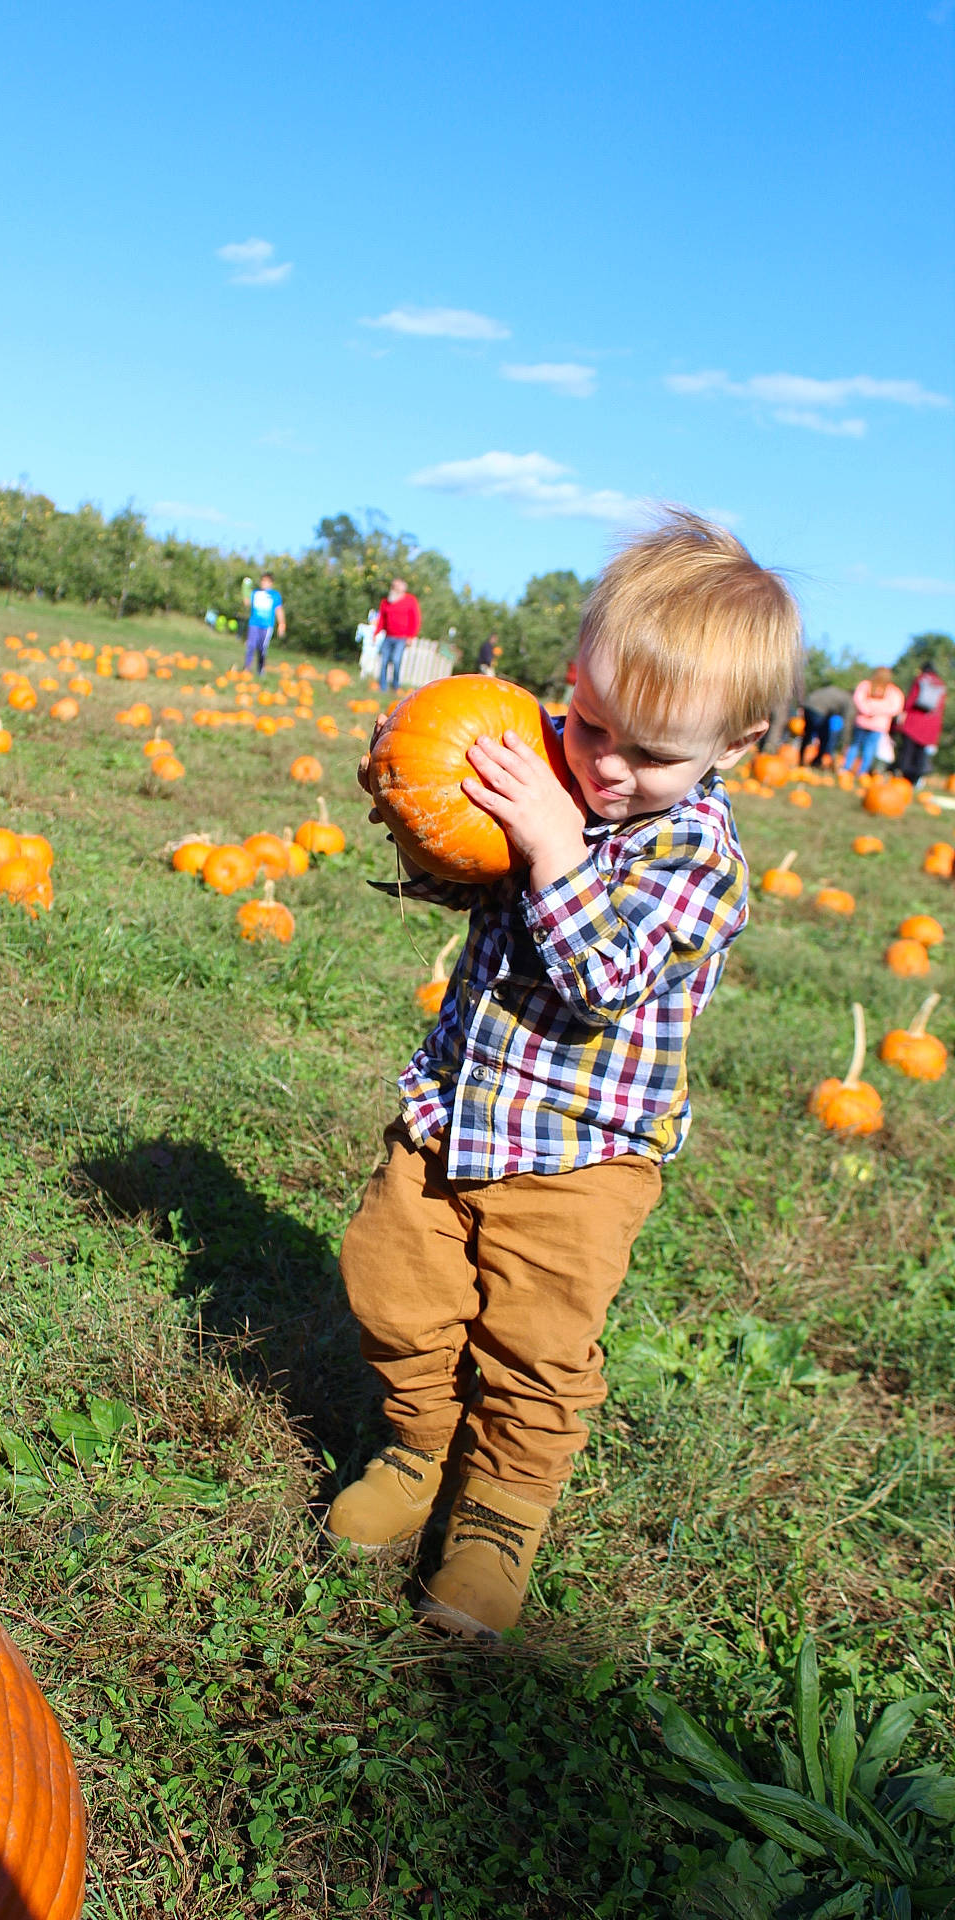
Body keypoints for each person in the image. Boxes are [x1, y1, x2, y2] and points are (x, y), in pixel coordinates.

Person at [326, 510, 801, 1642]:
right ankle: (417, 1444)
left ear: (731, 746)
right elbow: (471, 878)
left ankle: (498, 1517)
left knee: (536, 1346)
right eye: (588, 723)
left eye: (648, 754)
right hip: (453, 1114)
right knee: (392, 1287)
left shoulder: (698, 863)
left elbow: (601, 974)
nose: (602, 767)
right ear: (571, 679)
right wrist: (415, 810)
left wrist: (554, 848)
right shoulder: (547, 762)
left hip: (581, 1157)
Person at [841, 668, 905, 777]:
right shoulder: (892, 691)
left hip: (865, 722)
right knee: (868, 748)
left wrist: (869, 709)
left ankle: (846, 769)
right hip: (877, 724)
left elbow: (858, 700)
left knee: (856, 745)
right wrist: (878, 710)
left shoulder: (867, 685)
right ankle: (862, 773)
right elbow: (895, 708)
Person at [895, 661, 946, 787]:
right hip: (930, 725)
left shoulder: (921, 679)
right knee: (920, 755)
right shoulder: (941, 685)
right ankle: (914, 780)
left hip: (914, 721)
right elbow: (940, 709)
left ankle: (903, 778)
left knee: (907, 752)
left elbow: (911, 699)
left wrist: (903, 715)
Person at [372, 577, 422, 696]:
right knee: (384, 661)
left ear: (403, 588)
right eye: (392, 586)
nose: (393, 588)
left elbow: (415, 619)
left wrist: (411, 636)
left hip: (402, 638)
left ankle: (395, 686)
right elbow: (382, 620)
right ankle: (382, 686)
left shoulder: (410, 600)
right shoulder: (385, 602)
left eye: (396, 586)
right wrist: (376, 633)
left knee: (396, 660)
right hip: (388, 636)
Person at [801, 683, 856, 767]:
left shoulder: (836, 690)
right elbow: (847, 722)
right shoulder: (849, 701)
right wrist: (846, 741)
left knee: (807, 734)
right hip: (819, 710)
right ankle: (816, 762)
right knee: (825, 738)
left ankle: (801, 759)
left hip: (808, 704)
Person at [243, 573, 284, 675]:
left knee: (262, 648)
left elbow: (279, 610)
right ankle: (247, 668)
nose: (264, 583)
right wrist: (244, 588)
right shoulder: (255, 593)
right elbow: (247, 603)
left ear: (271, 583)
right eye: (262, 580)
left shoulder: (275, 595)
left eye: (266, 581)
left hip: (267, 626)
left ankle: (260, 670)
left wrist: (282, 624)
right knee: (251, 645)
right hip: (254, 623)